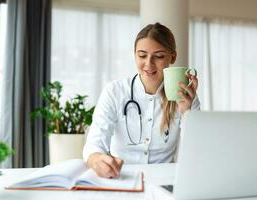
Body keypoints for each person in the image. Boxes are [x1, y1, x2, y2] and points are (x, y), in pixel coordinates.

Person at [83, 22, 200, 178]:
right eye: (142, 55)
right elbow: (94, 142)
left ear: (173, 57)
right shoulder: (115, 92)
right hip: (122, 179)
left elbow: (196, 152)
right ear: (134, 54)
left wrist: (187, 112)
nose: (148, 63)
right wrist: (97, 159)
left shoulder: (186, 95)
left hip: (164, 183)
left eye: (158, 56)